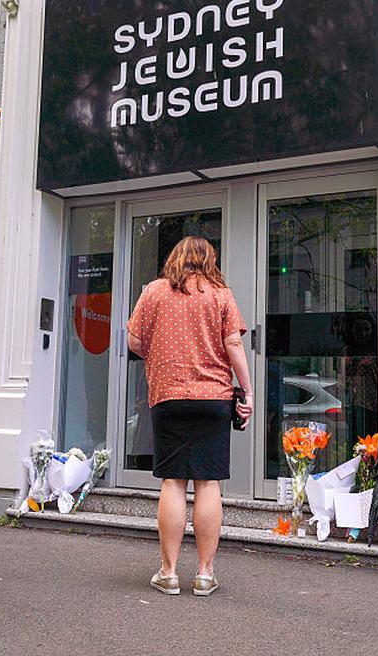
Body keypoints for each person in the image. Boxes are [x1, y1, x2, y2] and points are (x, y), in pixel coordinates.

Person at [126, 236, 253, 597]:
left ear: (176, 258)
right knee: (208, 483)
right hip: (213, 398)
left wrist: (161, 352)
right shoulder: (220, 294)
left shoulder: (154, 291)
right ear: (210, 260)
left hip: (167, 397)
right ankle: (204, 574)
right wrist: (247, 390)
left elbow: (134, 341)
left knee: (173, 482)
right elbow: (233, 343)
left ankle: (168, 573)